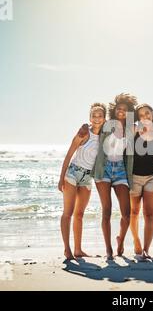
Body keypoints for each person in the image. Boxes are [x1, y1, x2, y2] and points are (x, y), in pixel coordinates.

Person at [81, 93, 138, 260]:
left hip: (121, 170)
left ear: (128, 112)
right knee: (106, 211)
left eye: (124, 109)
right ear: (114, 110)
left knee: (126, 213)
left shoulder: (131, 128)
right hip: (103, 169)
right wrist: (85, 127)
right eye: (119, 108)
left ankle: (120, 240)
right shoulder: (106, 125)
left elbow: (149, 131)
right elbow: (93, 126)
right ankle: (108, 249)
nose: (121, 111)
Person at [58, 103, 106, 260]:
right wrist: (61, 178)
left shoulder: (105, 137)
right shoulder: (83, 134)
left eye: (100, 115)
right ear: (90, 118)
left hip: (87, 178)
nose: (97, 118)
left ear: (104, 118)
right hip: (73, 173)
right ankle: (67, 249)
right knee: (68, 213)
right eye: (94, 115)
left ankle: (78, 250)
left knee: (79, 214)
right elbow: (69, 155)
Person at [129, 104, 153, 259]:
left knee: (149, 214)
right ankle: (136, 241)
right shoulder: (133, 131)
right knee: (133, 212)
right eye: (141, 115)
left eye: (147, 113)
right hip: (134, 177)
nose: (144, 117)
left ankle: (146, 249)